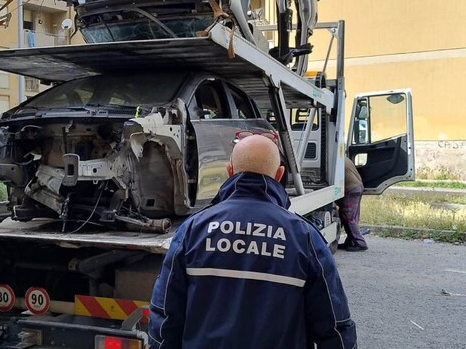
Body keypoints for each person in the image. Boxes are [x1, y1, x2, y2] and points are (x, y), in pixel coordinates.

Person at [149, 135, 357, 349]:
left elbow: (165, 316)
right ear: (279, 175)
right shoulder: (304, 237)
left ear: (229, 170)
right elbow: (334, 327)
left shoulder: (193, 230)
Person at [337, 158, 368, 251]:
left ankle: (360, 243)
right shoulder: (344, 158)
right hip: (357, 187)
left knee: (348, 217)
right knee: (352, 217)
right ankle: (350, 242)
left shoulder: (336, 159)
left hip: (351, 189)